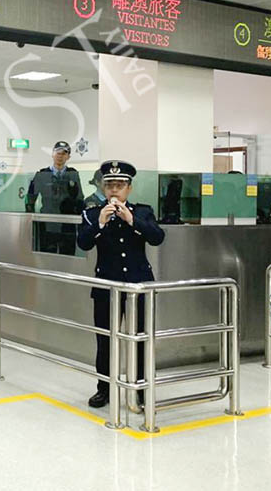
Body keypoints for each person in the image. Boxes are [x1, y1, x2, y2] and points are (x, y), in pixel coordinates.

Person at [77, 160, 165, 408]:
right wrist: (100, 223)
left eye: (119, 185)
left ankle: (140, 388)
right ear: (103, 188)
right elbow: (83, 243)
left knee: (140, 338)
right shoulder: (92, 214)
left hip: (138, 286)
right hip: (107, 286)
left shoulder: (143, 212)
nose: (114, 190)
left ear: (129, 188)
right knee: (105, 340)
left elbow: (157, 237)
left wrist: (132, 220)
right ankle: (104, 388)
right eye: (109, 185)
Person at [26, 141, 84, 254]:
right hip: (47, 222)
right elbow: (30, 198)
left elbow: (79, 198)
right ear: (52, 154)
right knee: (46, 254)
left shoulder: (73, 174)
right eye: (58, 153)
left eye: (64, 153)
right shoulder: (42, 174)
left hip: (67, 223)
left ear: (68, 157)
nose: (60, 156)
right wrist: (30, 220)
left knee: (67, 254)